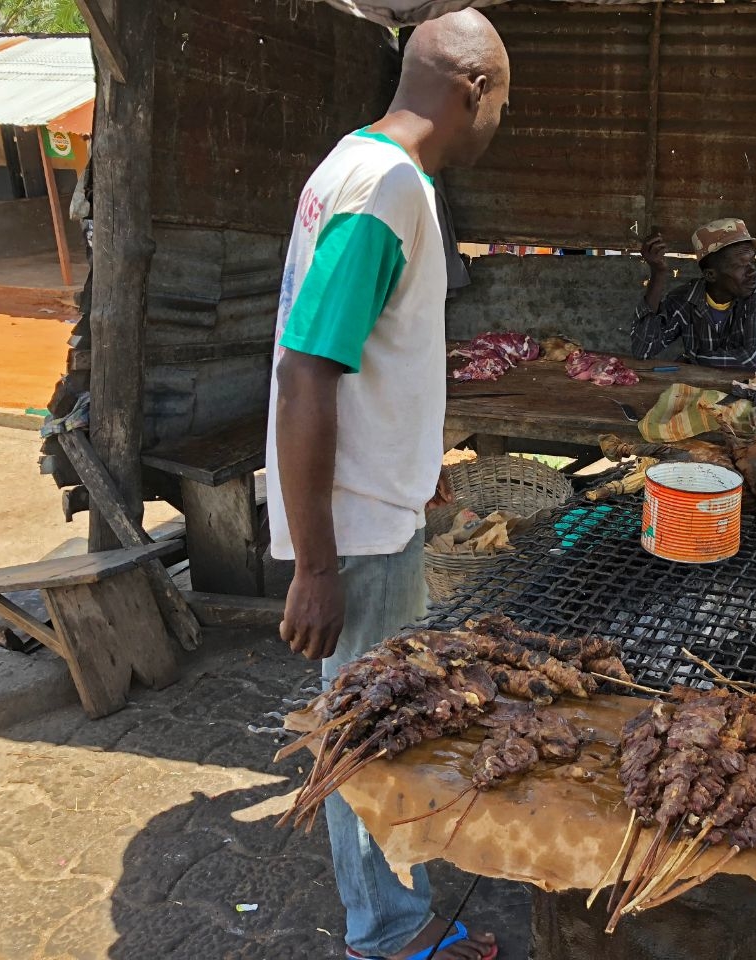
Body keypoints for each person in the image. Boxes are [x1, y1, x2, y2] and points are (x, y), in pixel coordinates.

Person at [267, 12, 508, 960]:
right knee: (364, 730)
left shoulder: (357, 164)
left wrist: (419, 475)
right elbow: (306, 371)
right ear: (473, 92)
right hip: (354, 528)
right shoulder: (389, 186)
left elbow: (363, 358)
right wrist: (316, 564)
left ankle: (389, 915)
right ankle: (389, 934)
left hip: (373, 503)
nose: (499, 124)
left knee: (367, 718)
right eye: (504, 103)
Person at [631, 218, 756, 371]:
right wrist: (658, 273)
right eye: (741, 265)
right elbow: (642, 350)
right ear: (710, 275)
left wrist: (695, 359)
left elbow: (752, 361)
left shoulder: (754, 292)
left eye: (752, 261)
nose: (752, 271)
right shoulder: (684, 300)